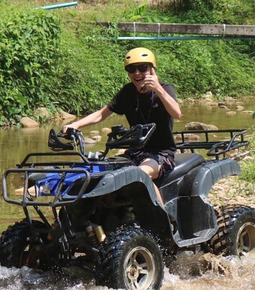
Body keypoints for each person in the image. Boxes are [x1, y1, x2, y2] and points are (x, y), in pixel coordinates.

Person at [63, 47, 182, 204]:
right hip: (134, 152)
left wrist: (158, 89)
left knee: (139, 174)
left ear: (152, 69)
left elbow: (177, 113)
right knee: (98, 172)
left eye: (142, 68)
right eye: (132, 69)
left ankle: (164, 220)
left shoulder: (165, 89)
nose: (137, 73)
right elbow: (102, 114)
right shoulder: (128, 92)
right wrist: (76, 124)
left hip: (161, 153)